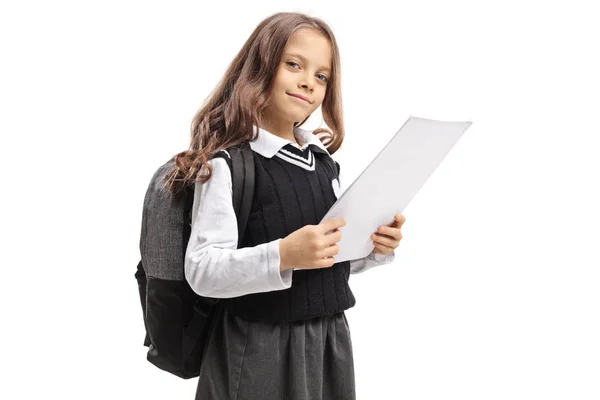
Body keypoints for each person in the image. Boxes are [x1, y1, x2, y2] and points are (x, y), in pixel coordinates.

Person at [167, 11, 406, 400]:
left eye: (321, 76)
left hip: (329, 342)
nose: (308, 82)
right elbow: (202, 269)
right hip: (258, 347)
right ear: (261, 67)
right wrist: (283, 254)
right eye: (294, 64)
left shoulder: (323, 162)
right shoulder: (230, 165)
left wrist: (373, 247)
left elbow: (327, 257)